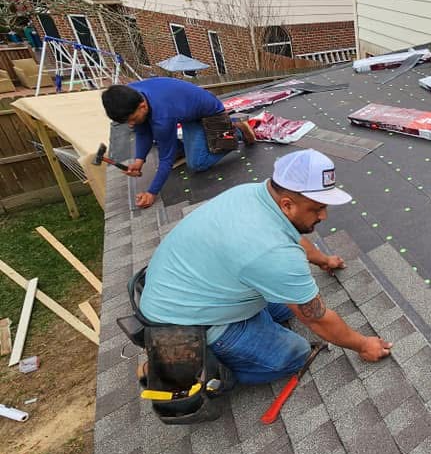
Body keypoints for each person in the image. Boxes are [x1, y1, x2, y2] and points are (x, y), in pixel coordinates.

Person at [138, 149, 393, 385]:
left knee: (284, 307)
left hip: (186, 288)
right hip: (186, 325)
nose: (324, 215)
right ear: (287, 204)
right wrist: (363, 345)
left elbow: (290, 236)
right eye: (317, 208)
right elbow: (318, 319)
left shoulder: (254, 194)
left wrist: (323, 260)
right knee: (295, 354)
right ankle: (194, 370)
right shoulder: (272, 252)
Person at [101, 78, 256, 208]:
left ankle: (237, 132)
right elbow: (143, 131)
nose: (130, 125)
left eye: (133, 119)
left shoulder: (162, 116)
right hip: (185, 111)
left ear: (143, 106)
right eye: (127, 121)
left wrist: (152, 192)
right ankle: (181, 149)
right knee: (156, 132)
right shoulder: (129, 95)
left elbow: (166, 159)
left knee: (197, 164)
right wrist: (139, 161)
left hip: (208, 113)